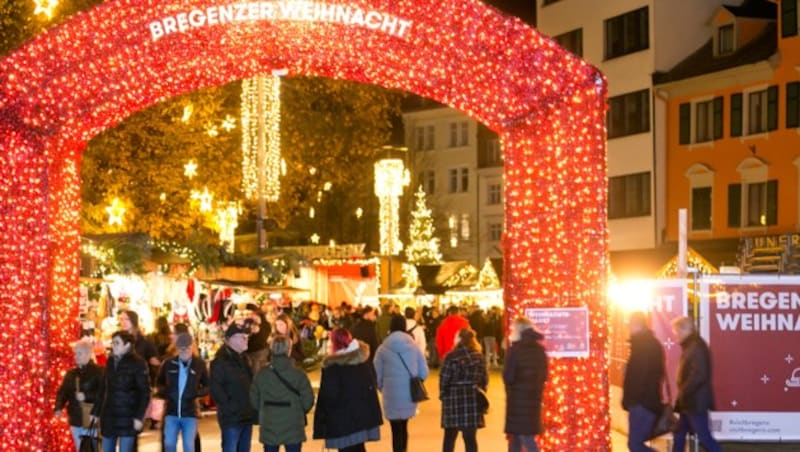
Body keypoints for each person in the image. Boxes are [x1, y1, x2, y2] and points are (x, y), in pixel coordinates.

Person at [313, 327, 383, 452]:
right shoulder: (362, 361)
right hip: (362, 417)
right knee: (359, 448)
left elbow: (329, 396)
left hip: (342, 420)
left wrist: (322, 420)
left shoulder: (332, 367)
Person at [373, 314, 430, 452]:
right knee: (404, 426)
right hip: (408, 393)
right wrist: (416, 380)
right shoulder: (413, 346)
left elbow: (377, 373)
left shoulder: (382, 348)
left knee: (395, 428)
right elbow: (424, 371)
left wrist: (381, 386)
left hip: (390, 393)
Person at [250, 335, 315, 452]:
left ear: (271, 349)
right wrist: (299, 410)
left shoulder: (262, 374)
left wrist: (264, 409)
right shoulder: (298, 374)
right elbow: (308, 400)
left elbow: (254, 399)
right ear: (289, 350)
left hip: (269, 423)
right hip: (293, 424)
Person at [92, 330, 151, 452]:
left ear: (127, 345)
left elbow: (144, 392)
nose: (113, 346)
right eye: (113, 343)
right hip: (109, 416)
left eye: (117, 343)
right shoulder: (110, 362)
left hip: (128, 417)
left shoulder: (138, 363)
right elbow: (103, 388)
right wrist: (96, 412)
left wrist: (139, 417)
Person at [671, 316, 722, 452]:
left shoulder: (696, 346)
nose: (676, 336)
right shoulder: (692, 346)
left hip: (695, 402)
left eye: (677, 332)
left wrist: (684, 391)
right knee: (679, 435)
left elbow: (700, 375)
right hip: (689, 402)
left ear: (685, 329)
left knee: (704, 438)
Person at [156, 333, 210, 452]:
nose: (185, 350)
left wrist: (196, 393)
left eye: (188, 347)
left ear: (192, 347)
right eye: (182, 347)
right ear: (177, 348)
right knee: (169, 444)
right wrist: (166, 393)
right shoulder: (168, 363)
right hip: (171, 412)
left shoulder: (199, 364)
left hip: (190, 412)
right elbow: (159, 383)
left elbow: (208, 385)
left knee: (189, 446)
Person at [622, 311, 665, 452]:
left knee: (635, 444)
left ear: (636, 325)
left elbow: (639, 376)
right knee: (635, 443)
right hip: (647, 401)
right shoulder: (651, 344)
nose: (628, 329)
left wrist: (631, 400)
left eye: (630, 325)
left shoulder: (641, 346)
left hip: (642, 403)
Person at [503, 317, 548, 452]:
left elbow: (508, 376)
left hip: (517, 400)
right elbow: (544, 375)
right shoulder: (540, 350)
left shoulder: (515, 350)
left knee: (524, 437)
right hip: (534, 398)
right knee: (517, 437)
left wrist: (511, 390)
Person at [439, 327, 488, 452]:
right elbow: (484, 379)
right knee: (470, 438)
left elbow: (444, 378)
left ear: (460, 339)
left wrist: (443, 394)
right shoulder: (479, 357)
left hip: (453, 398)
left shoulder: (451, 356)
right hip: (472, 397)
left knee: (449, 437)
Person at [211, 322, 257, 452]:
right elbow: (216, 389)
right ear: (229, 339)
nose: (246, 340)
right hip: (232, 418)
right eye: (242, 337)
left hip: (246, 415)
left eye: (247, 337)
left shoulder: (244, 359)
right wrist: (230, 408)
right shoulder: (220, 362)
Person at [55, 338, 104, 451]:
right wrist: (58, 406)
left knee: (91, 448)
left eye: (79, 353)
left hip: (91, 418)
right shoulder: (71, 374)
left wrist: (87, 396)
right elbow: (63, 392)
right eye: (75, 353)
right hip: (75, 418)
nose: (76, 356)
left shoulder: (99, 372)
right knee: (80, 448)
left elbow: (103, 394)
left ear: (88, 354)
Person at [246, 303, 272, 375]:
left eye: (250, 314)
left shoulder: (256, 326)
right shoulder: (266, 324)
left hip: (255, 354)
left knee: (255, 375)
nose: (248, 316)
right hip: (262, 351)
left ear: (255, 313)